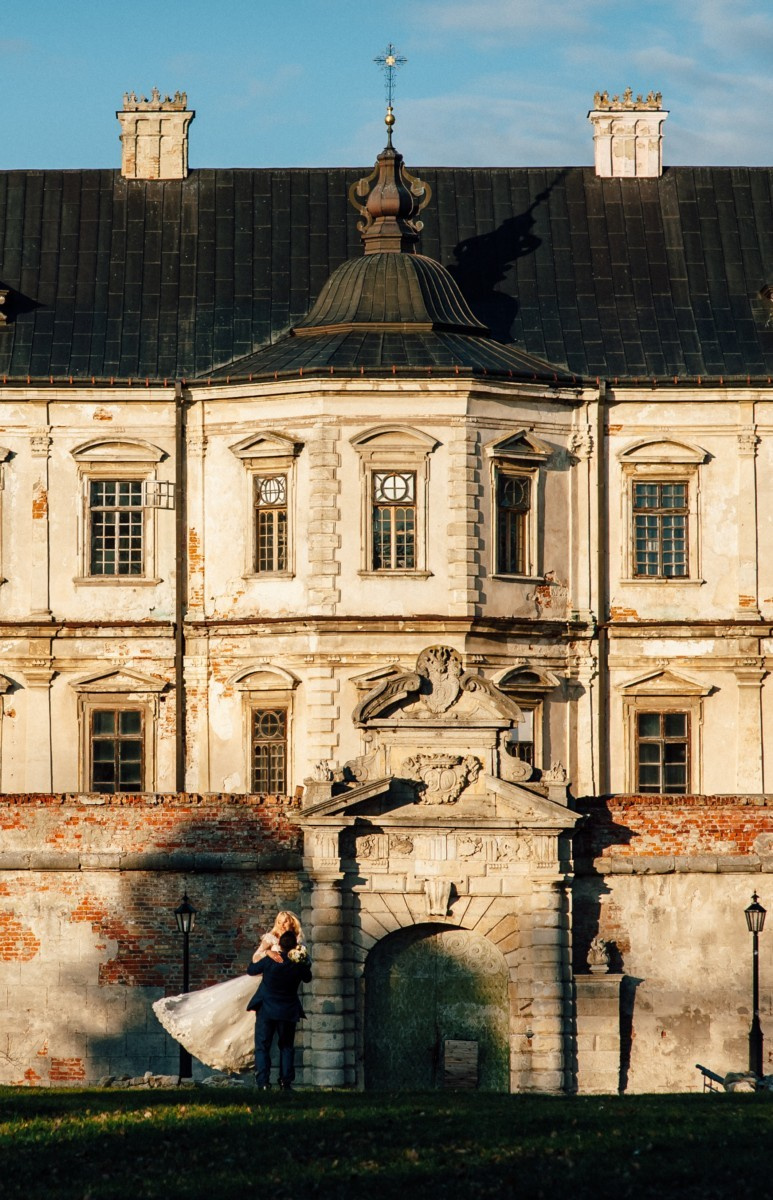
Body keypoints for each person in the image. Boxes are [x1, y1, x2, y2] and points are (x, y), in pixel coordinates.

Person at [151, 910, 306, 1073]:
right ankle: (270, 1078)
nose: (282, 925)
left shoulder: (298, 944)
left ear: (292, 923)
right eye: (279, 921)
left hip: (282, 988)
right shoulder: (271, 939)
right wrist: (268, 952)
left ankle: (268, 1077)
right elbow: (254, 960)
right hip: (263, 985)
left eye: (285, 922)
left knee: (269, 1038)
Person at [247, 929, 312, 1091]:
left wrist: (266, 952)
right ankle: (285, 1082)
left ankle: (263, 1082)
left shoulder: (270, 960)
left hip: (266, 1008)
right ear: (295, 946)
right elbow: (308, 978)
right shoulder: (298, 964)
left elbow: (251, 970)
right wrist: (302, 961)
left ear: (280, 945)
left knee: (263, 1046)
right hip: (288, 1009)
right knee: (286, 1046)